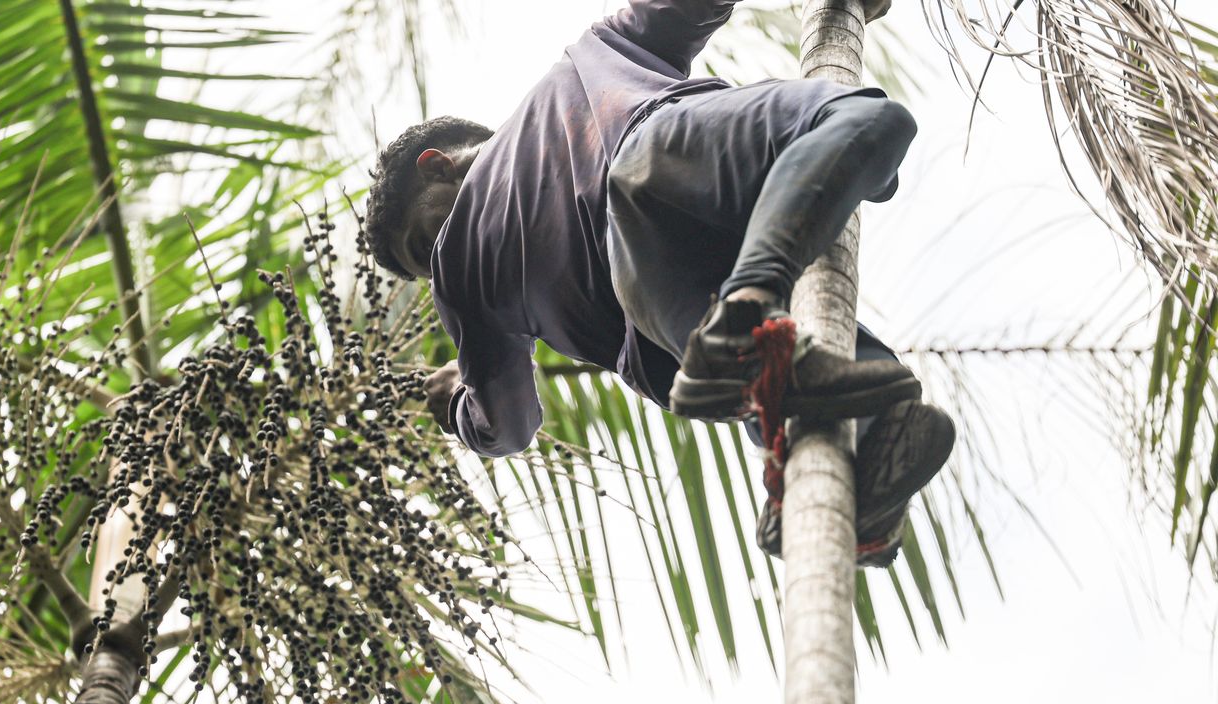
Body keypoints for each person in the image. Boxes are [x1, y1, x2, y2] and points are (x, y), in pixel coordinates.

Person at [362, 0, 955, 566]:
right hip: (671, 263)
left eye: (424, 243)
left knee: (869, 120)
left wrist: (461, 408)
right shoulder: (592, 57)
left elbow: (508, 424)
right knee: (865, 120)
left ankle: (761, 351)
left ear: (436, 164)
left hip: (669, 249)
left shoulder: (462, 252)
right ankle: (759, 337)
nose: (435, 264)